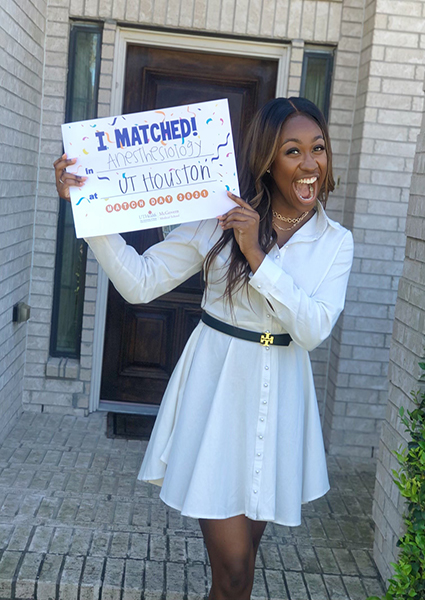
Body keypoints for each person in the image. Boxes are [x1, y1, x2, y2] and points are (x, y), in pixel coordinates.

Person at [54, 97, 353, 600]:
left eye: (317, 148)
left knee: (241, 569)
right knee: (233, 571)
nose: (310, 164)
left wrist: (257, 255)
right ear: (267, 159)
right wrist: (89, 210)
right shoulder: (218, 219)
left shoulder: (335, 242)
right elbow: (141, 282)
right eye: (293, 151)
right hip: (218, 397)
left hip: (281, 402)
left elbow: (313, 329)